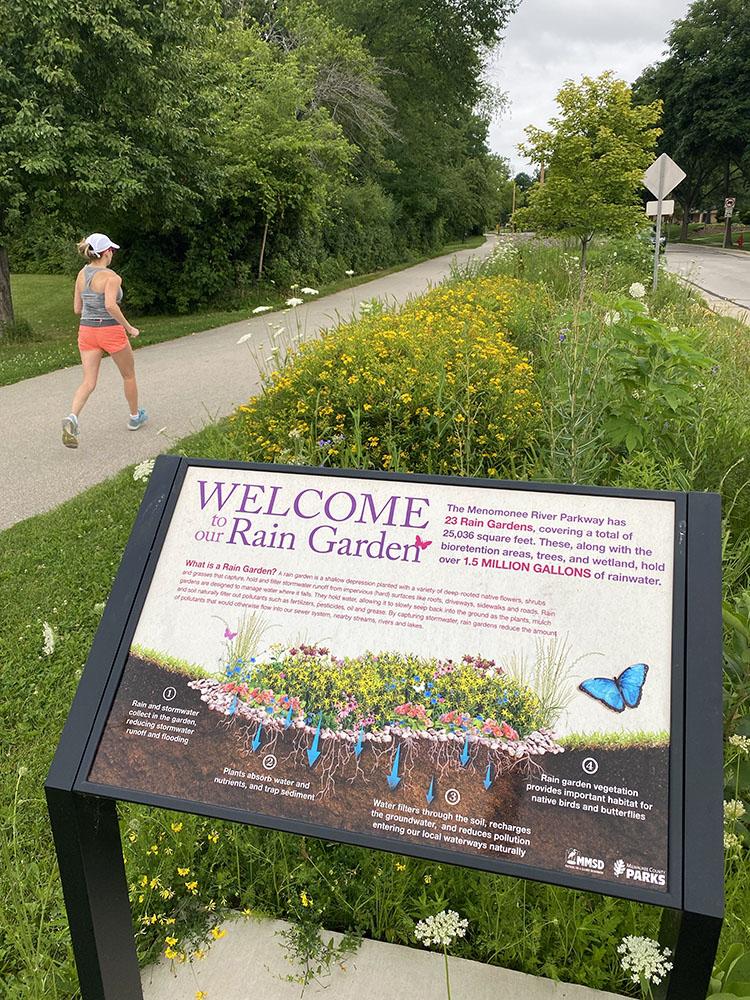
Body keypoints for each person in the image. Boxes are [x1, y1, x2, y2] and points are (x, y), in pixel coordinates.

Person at [61, 232, 147, 448]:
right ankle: (135, 417)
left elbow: (77, 309)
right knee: (128, 376)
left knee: (88, 381)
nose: (113, 254)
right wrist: (129, 328)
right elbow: (110, 305)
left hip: (87, 331)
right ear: (107, 252)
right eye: (112, 250)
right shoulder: (112, 277)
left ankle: (72, 417)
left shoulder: (81, 275)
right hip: (110, 330)